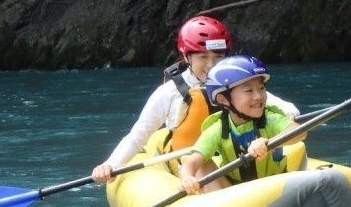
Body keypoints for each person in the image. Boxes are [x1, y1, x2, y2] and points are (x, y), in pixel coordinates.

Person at [91, 16, 299, 182]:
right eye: (203, 57)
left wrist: (288, 114)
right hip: (190, 162)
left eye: (218, 56)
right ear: (186, 57)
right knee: (202, 165)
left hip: (234, 155)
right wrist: (111, 164)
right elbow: (138, 135)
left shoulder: (237, 84)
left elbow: (283, 107)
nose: (211, 64)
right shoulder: (169, 93)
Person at [179, 55, 307, 194]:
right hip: (235, 194)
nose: (259, 96)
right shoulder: (217, 129)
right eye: (249, 91)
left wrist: (269, 143)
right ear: (223, 99)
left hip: (274, 188)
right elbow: (191, 163)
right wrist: (187, 178)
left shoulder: (270, 118)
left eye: (261, 88)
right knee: (202, 165)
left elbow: (299, 132)